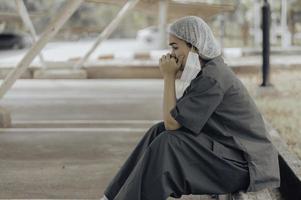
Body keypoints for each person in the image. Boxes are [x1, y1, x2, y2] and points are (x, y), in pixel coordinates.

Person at [100, 16, 280, 200]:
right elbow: (174, 119)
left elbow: (173, 124)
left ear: (194, 46)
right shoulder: (207, 71)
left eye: (175, 47)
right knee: (158, 131)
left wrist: (168, 76)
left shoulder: (212, 77)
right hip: (231, 155)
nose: (171, 54)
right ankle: (111, 197)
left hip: (245, 166)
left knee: (167, 142)